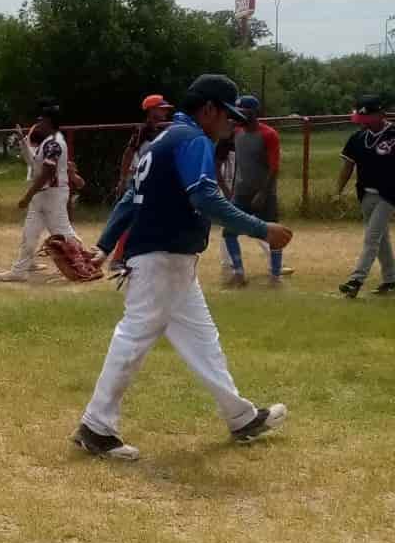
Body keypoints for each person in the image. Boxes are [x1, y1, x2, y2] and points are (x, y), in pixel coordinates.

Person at [73, 74, 291, 461]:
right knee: (135, 336)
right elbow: (205, 198)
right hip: (163, 258)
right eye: (228, 115)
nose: (232, 123)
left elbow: (129, 199)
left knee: (202, 341)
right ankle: (96, 426)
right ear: (208, 109)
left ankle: (240, 416)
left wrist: (104, 245)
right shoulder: (193, 140)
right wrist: (260, 229)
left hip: (170, 259)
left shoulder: (162, 140)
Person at [0, 99, 79, 281]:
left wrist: (28, 196)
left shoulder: (54, 143)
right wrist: (22, 140)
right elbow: (34, 162)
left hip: (51, 194)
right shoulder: (49, 142)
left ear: (49, 122)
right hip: (44, 195)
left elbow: (47, 173)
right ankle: (19, 271)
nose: (38, 123)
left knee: (63, 233)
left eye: (41, 120)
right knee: (30, 232)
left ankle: (81, 264)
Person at [335, 94, 395, 298]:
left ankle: (356, 280)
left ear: (381, 114)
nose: (363, 123)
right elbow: (348, 166)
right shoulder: (358, 138)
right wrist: (338, 190)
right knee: (381, 239)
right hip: (366, 194)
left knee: (371, 238)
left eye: (368, 118)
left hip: (389, 194)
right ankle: (391, 279)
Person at [222, 95, 285, 287]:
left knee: (273, 234)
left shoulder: (268, 134)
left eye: (244, 112)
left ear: (254, 113)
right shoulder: (237, 132)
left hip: (263, 193)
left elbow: (274, 167)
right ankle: (239, 273)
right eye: (237, 112)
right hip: (241, 192)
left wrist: (263, 193)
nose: (239, 116)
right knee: (229, 232)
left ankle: (275, 276)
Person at [110, 95, 174, 275]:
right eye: (161, 108)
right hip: (140, 181)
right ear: (151, 110)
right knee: (133, 220)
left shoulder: (163, 130)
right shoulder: (143, 130)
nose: (165, 111)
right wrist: (123, 179)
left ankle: (139, 255)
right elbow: (128, 154)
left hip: (154, 182)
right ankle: (118, 258)